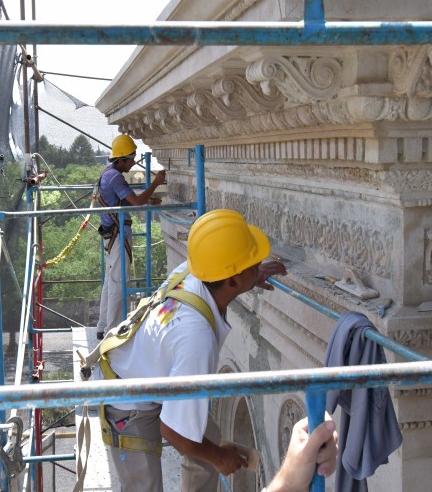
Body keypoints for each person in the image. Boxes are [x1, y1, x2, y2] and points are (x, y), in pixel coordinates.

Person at [100, 209, 338, 491]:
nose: (259, 263)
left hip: (152, 371)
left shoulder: (198, 267)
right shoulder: (196, 338)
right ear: (232, 280)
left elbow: (224, 280)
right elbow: (172, 431)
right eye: (252, 262)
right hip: (127, 401)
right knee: (148, 484)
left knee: (205, 436)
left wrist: (251, 275)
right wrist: (218, 457)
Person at [95, 134, 166, 339]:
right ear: (122, 159)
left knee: (111, 282)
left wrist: (147, 198)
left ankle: (103, 326)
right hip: (118, 235)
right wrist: (155, 183)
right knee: (118, 283)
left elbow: (123, 200)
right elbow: (135, 202)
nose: (133, 162)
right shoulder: (115, 177)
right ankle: (112, 332)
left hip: (112, 234)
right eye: (131, 158)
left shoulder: (108, 173)